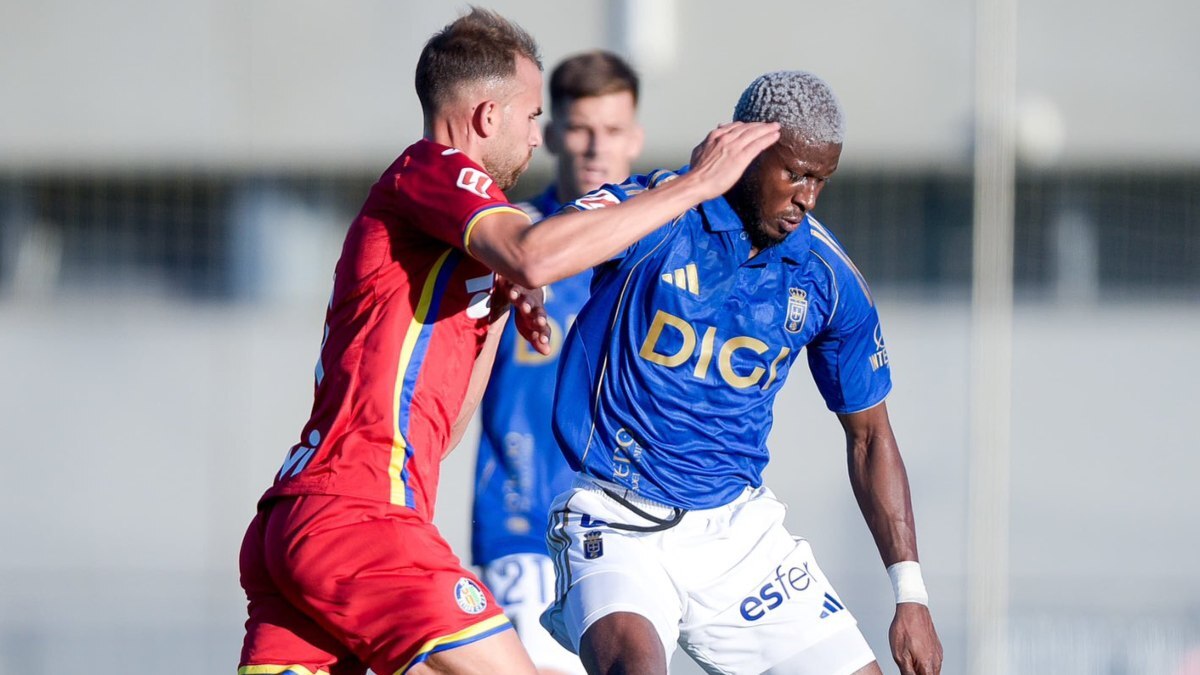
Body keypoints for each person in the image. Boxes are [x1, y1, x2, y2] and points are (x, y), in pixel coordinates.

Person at [236, 7, 781, 675]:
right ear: (488, 118)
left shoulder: (444, 245)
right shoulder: (432, 167)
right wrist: (698, 183)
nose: (536, 139)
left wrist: (493, 310)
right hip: (362, 517)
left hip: (301, 520)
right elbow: (528, 250)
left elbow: (452, 424)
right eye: (532, 119)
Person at [539, 71, 944, 675]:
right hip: (616, 514)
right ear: (747, 151)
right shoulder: (657, 214)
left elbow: (871, 437)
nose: (808, 196)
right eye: (796, 174)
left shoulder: (827, 278)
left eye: (821, 180)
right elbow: (543, 244)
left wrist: (910, 595)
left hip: (738, 535)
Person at [471, 50, 643, 675]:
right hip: (523, 533)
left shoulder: (655, 255)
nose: (596, 147)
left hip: (628, 536)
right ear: (550, 134)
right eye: (580, 128)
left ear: (636, 138)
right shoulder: (508, 240)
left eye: (613, 130)